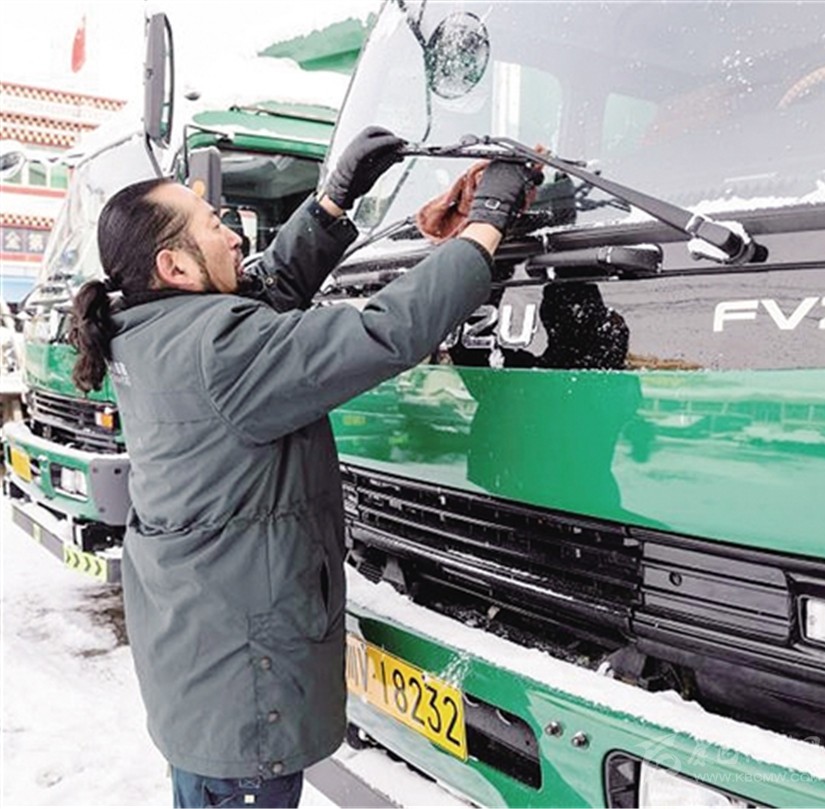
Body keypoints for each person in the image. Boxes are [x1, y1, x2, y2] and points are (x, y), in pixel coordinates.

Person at [69, 126, 541, 809]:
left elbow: (261, 294)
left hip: (199, 673)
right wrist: (485, 227)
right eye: (214, 226)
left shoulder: (144, 328)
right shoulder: (219, 351)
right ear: (175, 267)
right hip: (243, 695)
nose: (235, 236)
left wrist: (331, 204)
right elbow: (385, 330)